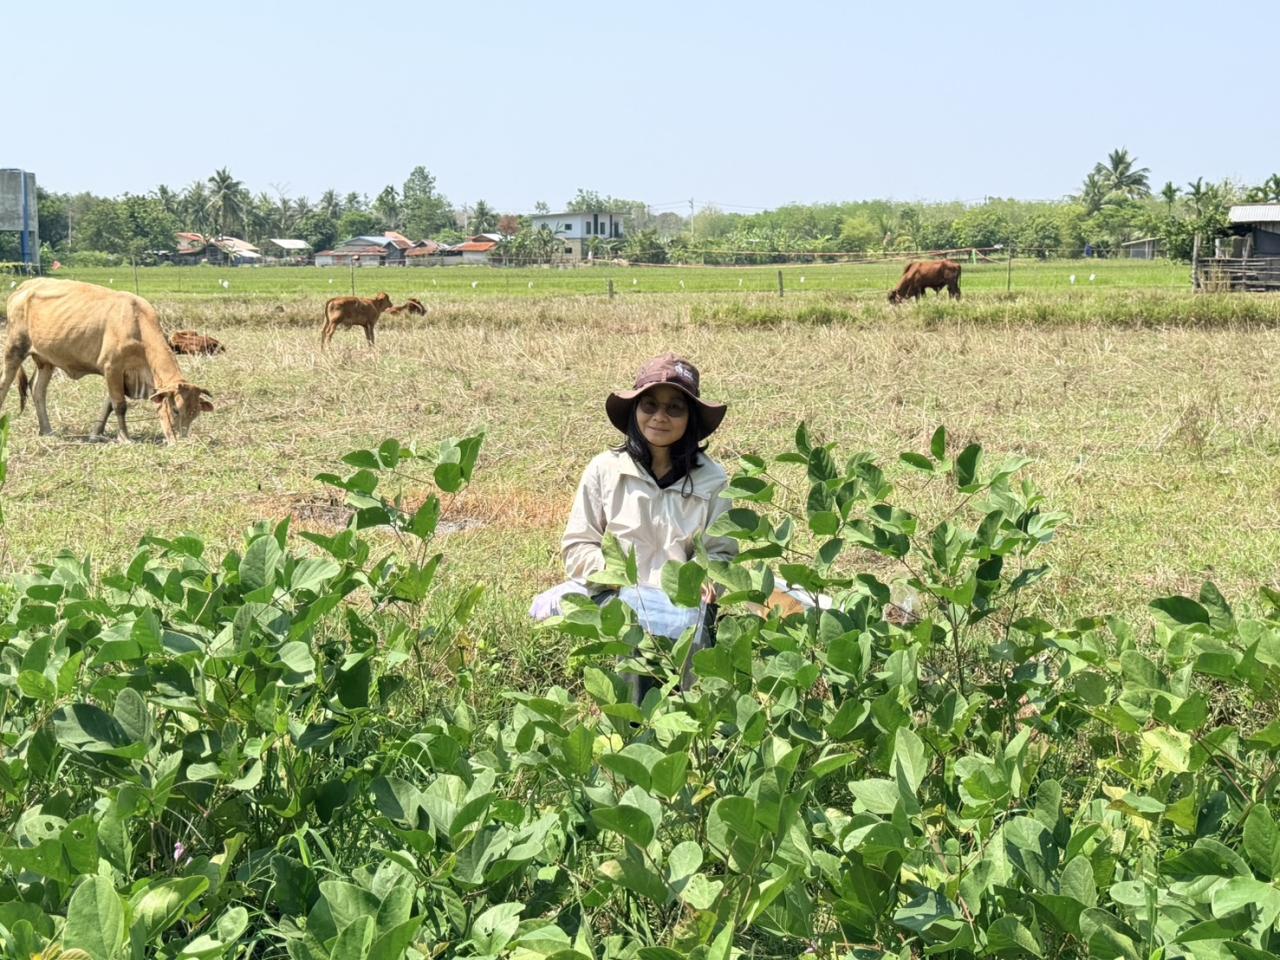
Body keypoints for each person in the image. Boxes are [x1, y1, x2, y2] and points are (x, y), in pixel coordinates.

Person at [530, 353, 737, 698]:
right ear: (634, 411)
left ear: (691, 418)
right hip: (617, 598)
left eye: (675, 408)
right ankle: (634, 735)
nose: (660, 417)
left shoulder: (713, 479)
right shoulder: (605, 470)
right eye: (650, 405)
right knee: (634, 659)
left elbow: (721, 553)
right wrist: (617, 578)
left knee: (694, 687)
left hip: (682, 606)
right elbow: (578, 546)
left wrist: (706, 578)